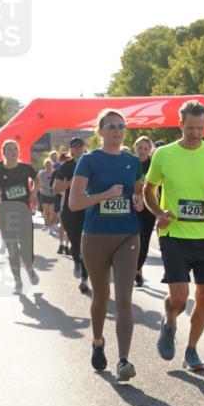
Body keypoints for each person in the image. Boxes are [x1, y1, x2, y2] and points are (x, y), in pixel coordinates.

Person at [144, 99, 204, 372]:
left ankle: (192, 350)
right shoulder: (164, 155)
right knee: (181, 294)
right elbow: (149, 190)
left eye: (200, 128)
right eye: (190, 128)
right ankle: (170, 320)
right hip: (173, 233)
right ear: (180, 124)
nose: (196, 133)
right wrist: (158, 213)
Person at [68, 109, 143, 381]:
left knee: (124, 299)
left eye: (121, 125)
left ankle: (124, 360)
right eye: (111, 125)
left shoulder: (133, 161)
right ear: (100, 131)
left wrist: (139, 201)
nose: (117, 129)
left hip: (127, 235)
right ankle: (98, 341)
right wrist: (104, 195)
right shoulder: (89, 160)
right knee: (101, 298)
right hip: (96, 236)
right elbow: (74, 203)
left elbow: (138, 193)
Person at [0, 139, 40, 294]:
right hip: (6, 212)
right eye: (9, 149)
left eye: (15, 149)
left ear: (18, 152)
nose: (13, 151)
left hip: (24, 212)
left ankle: (29, 268)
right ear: (3, 153)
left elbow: (37, 180)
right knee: (12, 249)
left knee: (27, 248)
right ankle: (18, 281)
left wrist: (34, 192)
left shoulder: (26, 168)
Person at [53, 138, 91, 294]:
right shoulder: (66, 166)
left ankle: (84, 278)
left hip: (89, 208)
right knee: (75, 242)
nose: (78, 149)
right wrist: (72, 183)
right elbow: (55, 189)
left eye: (80, 146)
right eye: (74, 147)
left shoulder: (92, 163)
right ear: (71, 150)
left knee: (86, 244)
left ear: (85, 147)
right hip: (70, 209)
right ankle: (76, 259)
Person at [134, 136, 157, 287]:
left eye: (145, 148)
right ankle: (129, 267)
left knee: (144, 239)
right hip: (132, 206)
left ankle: (138, 269)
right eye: (140, 148)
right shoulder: (129, 163)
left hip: (149, 207)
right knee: (133, 239)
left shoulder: (153, 165)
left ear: (150, 151)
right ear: (135, 148)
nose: (142, 151)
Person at [38, 158, 56, 234]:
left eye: (50, 165)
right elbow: (38, 183)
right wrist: (42, 187)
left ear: (52, 165)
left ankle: (51, 226)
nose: (48, 166)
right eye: (47, 165)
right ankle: (47, 225)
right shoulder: (42, 173)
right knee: (47, 211)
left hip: (53, 195)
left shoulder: (55, 173)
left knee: (52, 212)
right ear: (44, 165)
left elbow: (59, 182)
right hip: (44, 194)